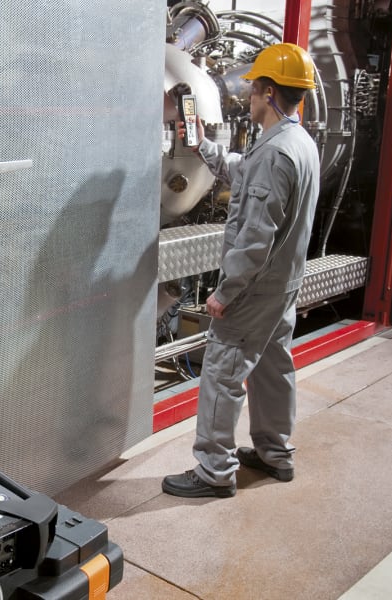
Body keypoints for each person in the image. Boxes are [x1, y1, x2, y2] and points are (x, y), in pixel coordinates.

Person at [162, 43, 320, 498]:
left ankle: (215, 471)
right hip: (282, 284)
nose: (247, 96)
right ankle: (276, 453)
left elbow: (255, 237)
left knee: (222, 372)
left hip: (254, 289)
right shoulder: (297, 142)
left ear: (269, 92)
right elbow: (245, 172)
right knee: (273, 366)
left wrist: (225, 292)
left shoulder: (275, 153)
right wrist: (201, 146)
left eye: (253, 89)